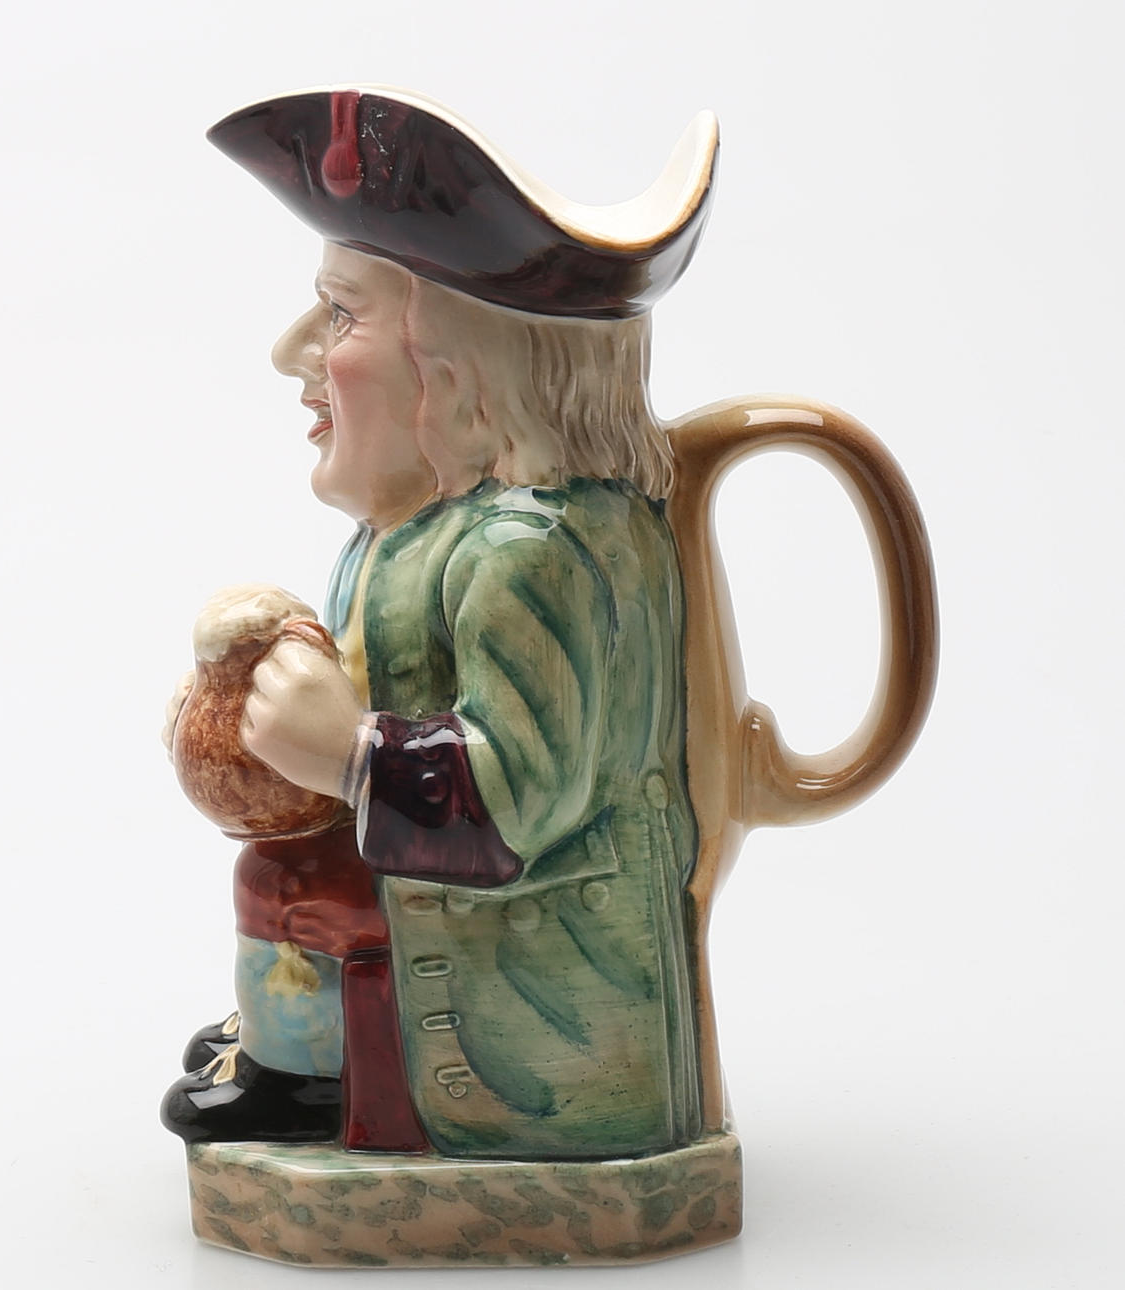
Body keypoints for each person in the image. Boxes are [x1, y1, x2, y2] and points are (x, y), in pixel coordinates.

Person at [161, 87, 720, 1160]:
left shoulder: (532, 550)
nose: (291, 351)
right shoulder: (411, 531)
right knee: (285, 876)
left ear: (463, 366)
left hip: (527, 1033)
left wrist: (348, 752)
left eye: (339, 314)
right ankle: (300, 1051)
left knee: (289, 886)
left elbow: (519, 803)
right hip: (430, 923)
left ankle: (305, 1070)